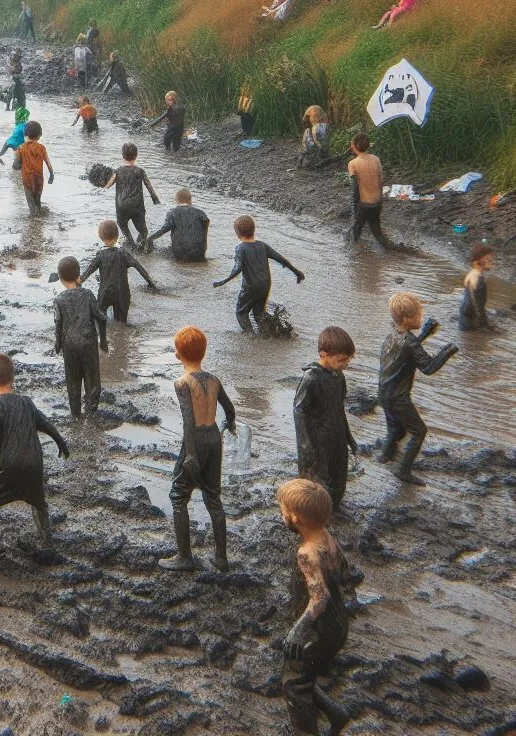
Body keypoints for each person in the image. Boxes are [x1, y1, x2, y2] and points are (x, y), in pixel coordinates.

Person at [0, 352, 69, 569]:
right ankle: (47, 544)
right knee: (38, 504)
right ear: (13, 379)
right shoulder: (27, 403)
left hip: (6, 466)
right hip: (33, 464)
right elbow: (46, 423)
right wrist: (61, 442)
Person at [277, 478, 356, 736]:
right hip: (337, 623)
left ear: (296, 519)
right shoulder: (326, 536)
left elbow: (319, 598)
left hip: (318, 631)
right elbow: (346, 573)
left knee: (294, 684)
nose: (282, 515)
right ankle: (335, 713)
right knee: (305, 674)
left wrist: (298, 631)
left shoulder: (306, 554)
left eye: (283, 511)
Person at [158, 326, 235, 573]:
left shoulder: (182, 383)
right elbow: (230, 409)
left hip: (195, 441)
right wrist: (229, 424)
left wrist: (190, 454)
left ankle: (185, 557)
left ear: (178, 354)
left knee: (178, 496)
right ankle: (221, 558)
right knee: (213, 497)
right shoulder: (214, 379)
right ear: (203, 352)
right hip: (214, 437)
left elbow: (188, 420)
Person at [378, 293, 458, 485]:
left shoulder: (392, 336)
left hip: (384, 394)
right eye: (418, 316)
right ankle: (403, 470)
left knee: (396, 429)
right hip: (399, 398)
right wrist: (447, 350)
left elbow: (407, 350)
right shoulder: (410, 342)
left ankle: (386, 455)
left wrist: (425, 333)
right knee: (419, 431)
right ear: (407, 320)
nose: (421, 318)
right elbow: (429, 367)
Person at [294, 327, 358, 510]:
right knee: (316, 487)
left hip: (336, 439)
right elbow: (299, 411)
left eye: (348, 359)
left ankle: (334, 510)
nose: (345, 364)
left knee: (338, 479)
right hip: (315, 442)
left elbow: (339, 409)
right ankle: (312, 519)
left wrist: (349, 438)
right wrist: (306, 444)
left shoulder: (339, 378)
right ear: (324, 354)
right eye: (341, 360)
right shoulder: (310, 378)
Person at [213, 215, 305, 334]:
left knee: (241, 312)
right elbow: (280, 259)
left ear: (237, 234)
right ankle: (270, 333)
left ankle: (251, 336)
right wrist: (297, 272)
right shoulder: (263, 245)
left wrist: (222, 281)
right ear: (254, 229)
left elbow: (237, 268)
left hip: (250, 287)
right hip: (265, 285)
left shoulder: (240, 249)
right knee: (259, 313)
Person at [53, 256, 108, 419]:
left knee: (73, 380)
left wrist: (58, 344)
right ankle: (91, 412)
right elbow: (101, 318)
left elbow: (58, 324)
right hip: (88, 342)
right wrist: (103, 341)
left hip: (69, 345)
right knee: (92, 379)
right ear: (79, 276)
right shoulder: (88, 294)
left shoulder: (59, 299)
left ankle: (75, 414)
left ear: (61, 279)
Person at [81, 220, 157, 324]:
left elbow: (89, 270)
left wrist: (79, 281)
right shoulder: (123, 253)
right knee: (121, 322)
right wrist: (151, 283)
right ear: (117, 235)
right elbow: (137, 266)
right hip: (122, 293)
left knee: (101, 320)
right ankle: (122, 336)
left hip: (105, 293)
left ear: (100, 237)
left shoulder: (100, 255)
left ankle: (104, 336)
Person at [103, 142, 161, 247]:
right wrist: (155, 199)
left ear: (122, 155)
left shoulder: (118, 171)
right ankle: (140, 245)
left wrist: (100, 189)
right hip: (137, 206)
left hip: (122, 206)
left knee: (122, 225)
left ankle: (130, 241)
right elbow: (149, 185)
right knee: (143, 232)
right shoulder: (140, 171)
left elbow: (108, 185)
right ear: (136, 155)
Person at [347, 134, 394, 250]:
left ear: (353, 147)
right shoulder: (376, 159)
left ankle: (356, 254)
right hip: (377, 202)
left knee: (355, 233)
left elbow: (355, 188)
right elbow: (380, 180)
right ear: (368, 146)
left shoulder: (353, 163)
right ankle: (396, 251)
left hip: (364, 204)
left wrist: (355, 208)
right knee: (377, 232)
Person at [148, 188, 209, 262]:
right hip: (199, 254)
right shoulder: (201, 213)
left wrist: (151, 238)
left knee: (159, 253)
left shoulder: (172, 212)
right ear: (190, 200)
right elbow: (206, 221)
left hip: (180, 254)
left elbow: (165, 228)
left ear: (176, 200)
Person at [13, 120, 54, 215]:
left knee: (31, 202)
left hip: (27, 179)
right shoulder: (41, 148)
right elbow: (48, 163)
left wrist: (20, 165)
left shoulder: (20, 148)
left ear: (25, 134)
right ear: (40, 135)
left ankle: (33, 222)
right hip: (39, 178)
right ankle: (39, 218)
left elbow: (15, 166)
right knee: (37, 200)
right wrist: (51, 175)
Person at [459, 243, 494, 332]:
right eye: (488, 259)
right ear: (479, 261)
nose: (492, 262)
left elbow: (469, 304)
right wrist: (485, 326)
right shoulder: (479, 281)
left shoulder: (472, 274)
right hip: (470, 324)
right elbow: (476, 307)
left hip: (464, 318)